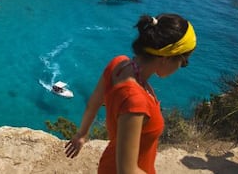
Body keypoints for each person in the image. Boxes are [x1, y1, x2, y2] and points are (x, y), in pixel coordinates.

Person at [65, 13, 197, 174]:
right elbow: (127, 170)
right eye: (183, 62)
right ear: (166, 57)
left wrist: (81, 134)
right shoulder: (135, 101)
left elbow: (92, 104)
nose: (181, 67)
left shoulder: (118, 64)